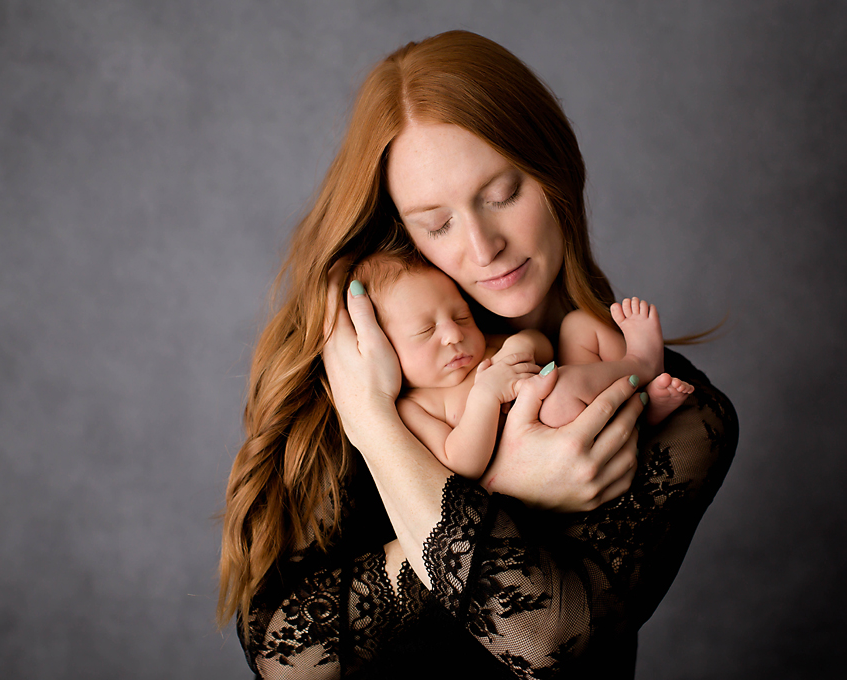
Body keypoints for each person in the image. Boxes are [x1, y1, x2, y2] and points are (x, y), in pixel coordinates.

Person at [217, 30, 738, 680]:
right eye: (437, 224)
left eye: (501, 196)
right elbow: (282, 655)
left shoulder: (682, 411)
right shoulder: (371, 370)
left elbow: (550, 638)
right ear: (405, 228)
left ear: (556, 171)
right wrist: (376, 427)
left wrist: (483, 489)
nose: (483, 247)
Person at [349, 251, 695, 479]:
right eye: (425, 331)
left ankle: (641, 400)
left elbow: (543, 348)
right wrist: (484, 397)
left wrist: (520, 345)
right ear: (383, 347)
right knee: (561, 393)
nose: (454, 334)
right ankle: (640, 365)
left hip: (577, 398)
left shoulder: (485, 348)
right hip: (551, 439)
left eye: (461, 316)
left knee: (578, 325)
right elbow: (461, 463)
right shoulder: (415, 406)